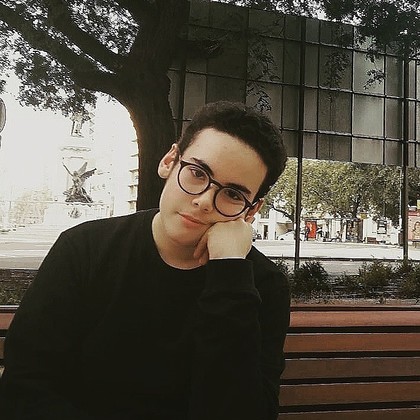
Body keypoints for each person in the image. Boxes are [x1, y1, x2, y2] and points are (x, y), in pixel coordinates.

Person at [0, 101, 290, 420]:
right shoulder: (85, 249)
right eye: (197, 173)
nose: (204, 201)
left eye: (233, 194)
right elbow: (26, 387)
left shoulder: (262, 285)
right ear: (169, 161)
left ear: (252, 210)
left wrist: (229, 274)